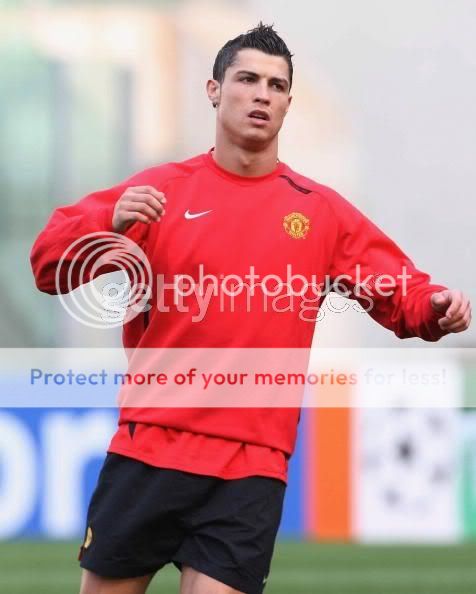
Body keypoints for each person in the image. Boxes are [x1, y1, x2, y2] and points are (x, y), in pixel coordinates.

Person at [30, 22, 471, 594]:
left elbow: (399, 293)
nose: (262, 94)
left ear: (288, 102)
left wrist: (435, 309)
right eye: (247, 79)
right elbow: (47, 264)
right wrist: (104, 224)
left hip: (250, 467)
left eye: (276, 84)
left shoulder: (320, 213)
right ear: (214, 90)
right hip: (150, 450)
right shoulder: (160, 192)